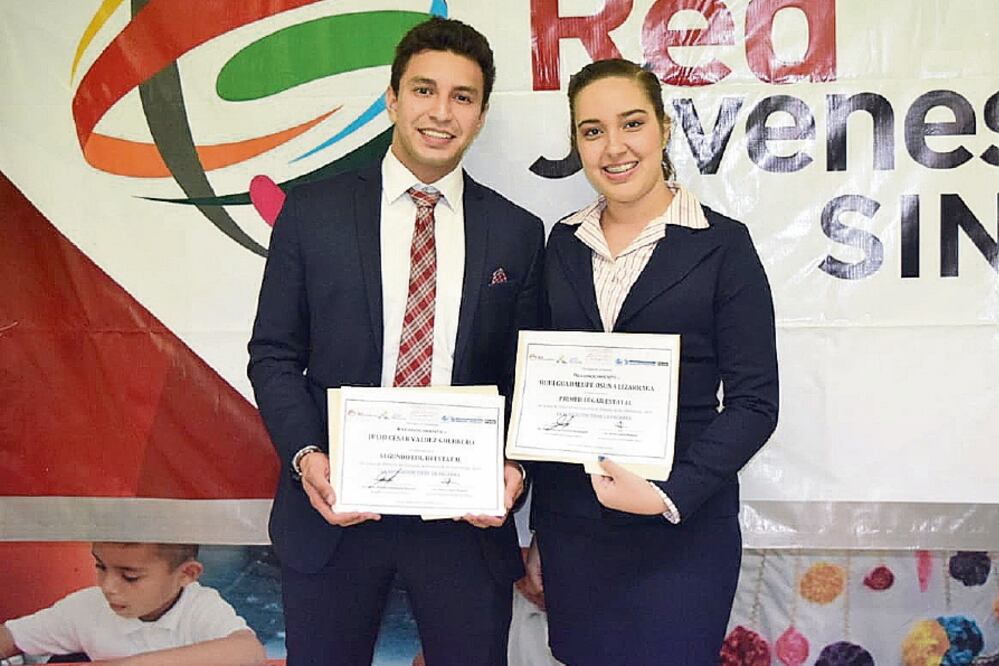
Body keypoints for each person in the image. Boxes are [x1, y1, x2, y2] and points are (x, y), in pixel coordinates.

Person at [246, 17, 544, 666]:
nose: (441, 112)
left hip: (465, 525)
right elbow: (273, 353)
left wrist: (516, 469)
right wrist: (306, 458)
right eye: (423, 90)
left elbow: (530, 376)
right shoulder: (311, 213)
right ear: (391, 98)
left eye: (462, 97)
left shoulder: (517, 232)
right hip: (335, 510)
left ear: (481, 114)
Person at [524, 58, 780, 665]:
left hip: (682, 530)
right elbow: (539, 389)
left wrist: (669, 495)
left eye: (632, 123)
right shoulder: (561, 243)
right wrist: (536, 525)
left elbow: (754, 404)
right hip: (573, 533)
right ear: (576, 143)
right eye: (592, 130)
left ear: (664, 128)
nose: (614, 147)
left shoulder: (724, 245)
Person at [0, 542, 263, 665]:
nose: (108, 586)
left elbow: (249, 652)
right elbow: (11, 637)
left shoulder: (199, 607)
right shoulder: (87, 607)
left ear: (187, 575)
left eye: (130, 577)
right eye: (100, 567)